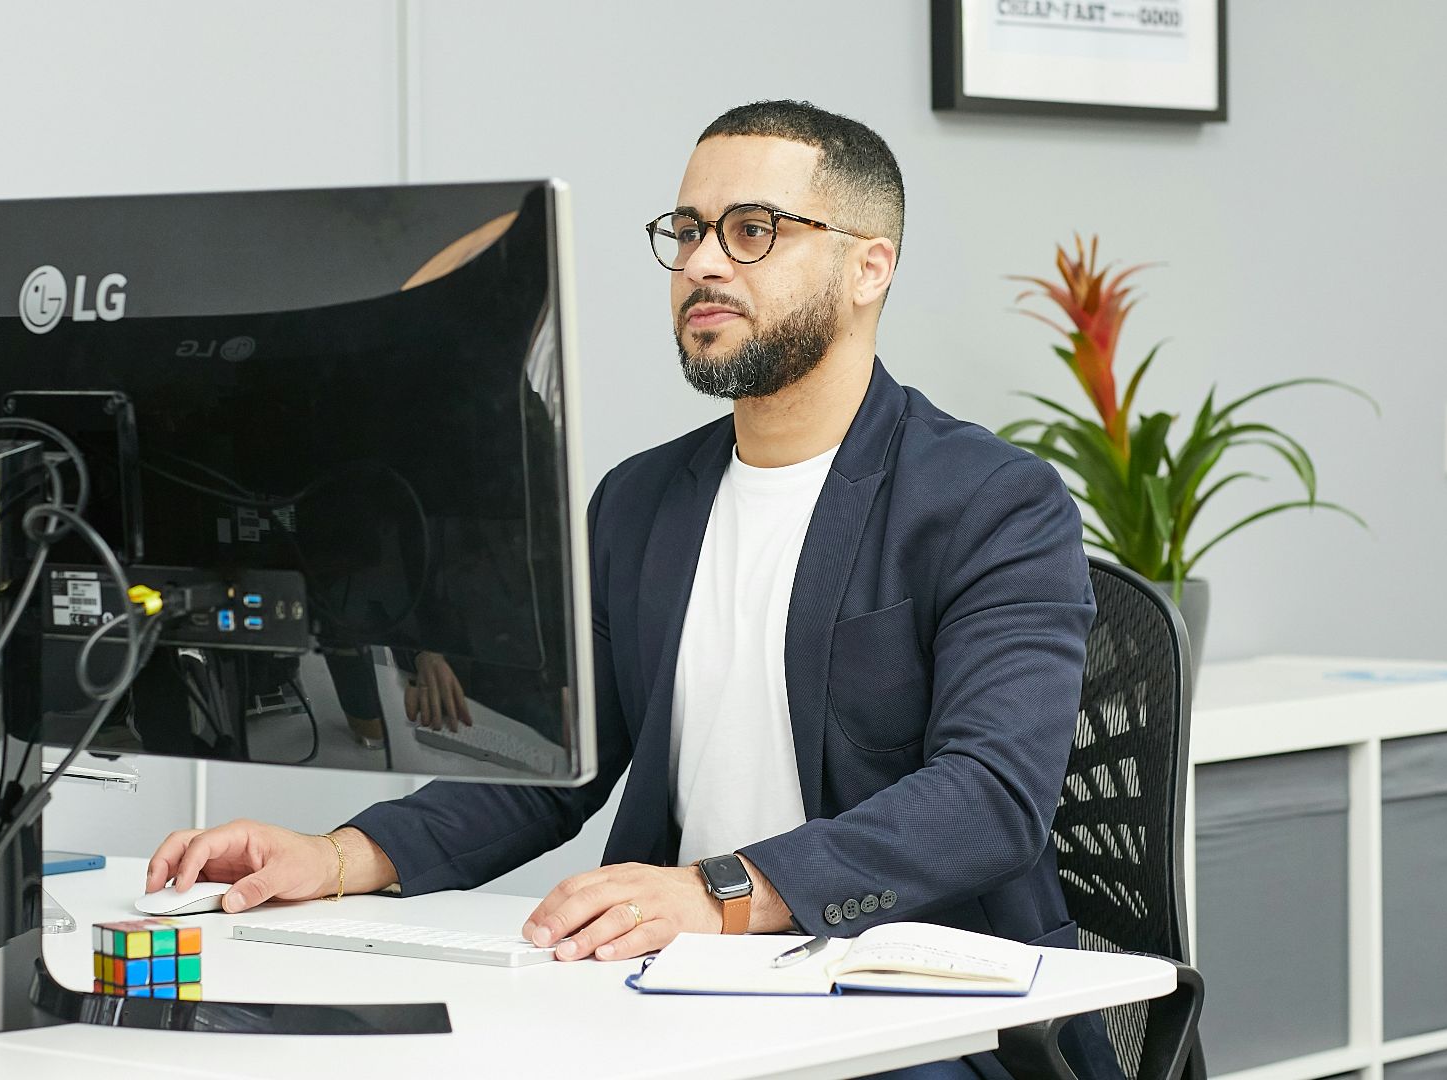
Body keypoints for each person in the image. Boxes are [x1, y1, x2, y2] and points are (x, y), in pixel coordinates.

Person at [147, 100, 1109, 1080]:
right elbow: (557, 769)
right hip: (667, 992)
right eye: (688, 231)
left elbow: (988, 799)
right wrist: (341, 857)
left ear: (869, 268)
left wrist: (723, 892)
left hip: (913, 1011)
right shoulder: (641, 500)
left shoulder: (992, 501)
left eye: (752, 230)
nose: (702, 262)